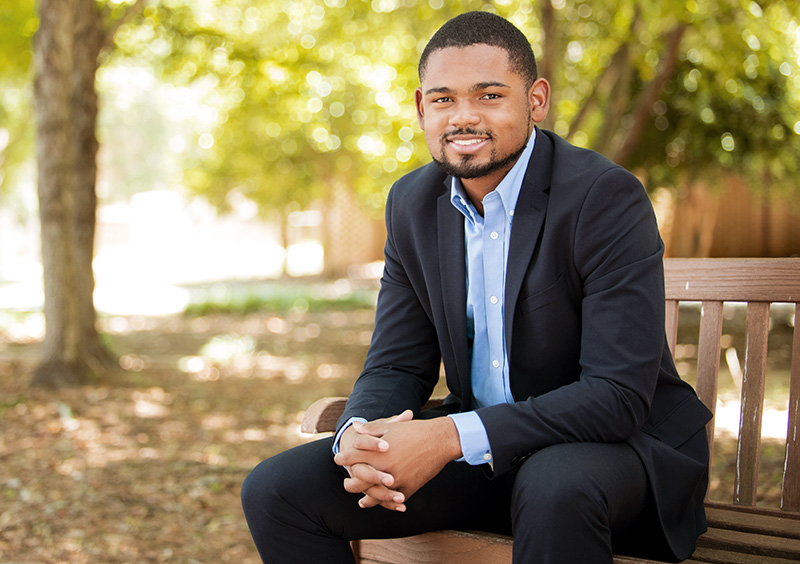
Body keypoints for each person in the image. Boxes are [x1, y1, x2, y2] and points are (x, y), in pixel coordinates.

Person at [242, 11, 712, 564]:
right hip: (488, 456)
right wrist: (361, 437)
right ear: (422, 107)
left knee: (553, 485)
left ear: (535, 100)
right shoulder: (412, 205)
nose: (463, 117)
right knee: (277, 492)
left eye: (489, 95)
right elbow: (396, 364)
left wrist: (446, 438)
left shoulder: (604, 198)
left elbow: (617, 396)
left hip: (616, 454)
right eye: (443, 100)